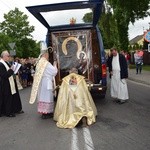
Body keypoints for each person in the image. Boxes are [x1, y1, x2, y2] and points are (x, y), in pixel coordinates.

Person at [29, 48, 58, 119]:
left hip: (42, 82)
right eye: (48, 55)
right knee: (48, 97)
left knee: (43, 96)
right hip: (47, 82)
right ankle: (47, 113)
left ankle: (43, 112)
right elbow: (54, 71)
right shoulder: (46, 63)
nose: (48, 56)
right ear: (45, 54)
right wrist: (55, 65)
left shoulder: (39, 62)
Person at [0, 50, 23, 117]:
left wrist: (13, 70)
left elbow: (10, 72)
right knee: (7, 98)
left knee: (12, 97)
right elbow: (4, 75)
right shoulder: (1, 64)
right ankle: (8, 112)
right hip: (5, 84)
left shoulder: (6, 62)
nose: (9, 57)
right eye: (8, 56)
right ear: (4, 56)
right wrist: (11, 70)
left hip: (10, 82)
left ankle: (15, 109)